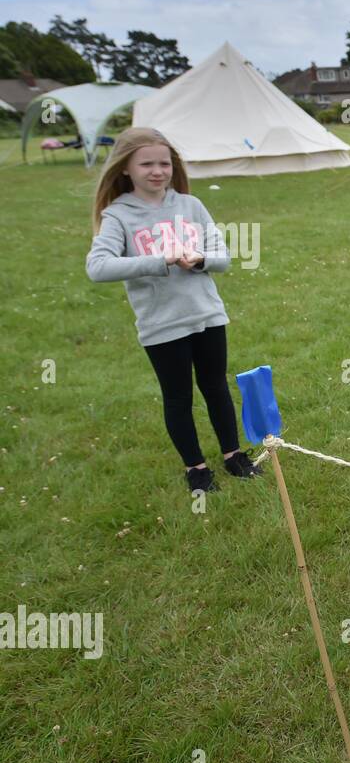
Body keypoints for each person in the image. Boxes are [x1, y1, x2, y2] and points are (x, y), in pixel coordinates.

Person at [86, 126, 259, 493]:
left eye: (164, 163)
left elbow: (224, 258)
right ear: (125, 169)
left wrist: (199, 261)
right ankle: (196, 468)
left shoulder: (190, 205)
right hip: (161, 324)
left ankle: (233, 455)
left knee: (216, 387)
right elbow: (98, 267)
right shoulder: (118, 215)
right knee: (178, 397)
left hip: (207, 316)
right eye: (146, 163)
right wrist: (158, 260)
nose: (157, 171)